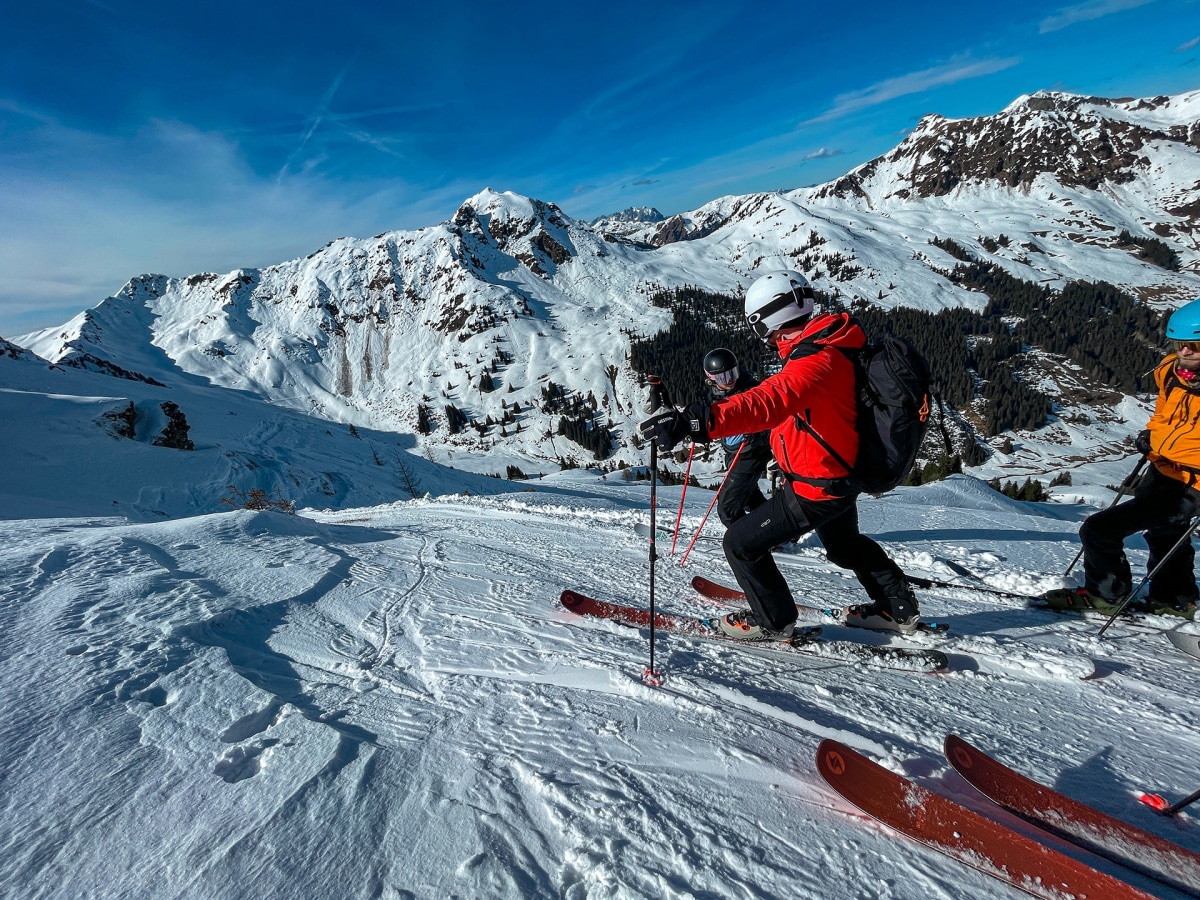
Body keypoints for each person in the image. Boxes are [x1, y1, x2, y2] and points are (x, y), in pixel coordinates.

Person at [639, 270, 921, 639]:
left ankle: (773, 621)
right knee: (844, 546)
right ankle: (897, 607)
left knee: (740, 544)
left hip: (816, 487)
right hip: (840, 475)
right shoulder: (832, 343)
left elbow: (769, 401)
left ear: (764, 321)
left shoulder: (816, 359)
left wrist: (696, 421)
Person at [1045, 298, 1200, 619]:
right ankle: (1174, 598)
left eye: (1194, 346)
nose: (1184, 352)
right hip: (1163, 470)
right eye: (1179, 344)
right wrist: (1152, 435)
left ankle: (1105, 596)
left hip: (1192, 485)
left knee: (1099, 530)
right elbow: (1165, 412)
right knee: (1166, 534)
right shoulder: (1170, 372)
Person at [700, 348, 773, 526]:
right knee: (750, 499)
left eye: (733, 373)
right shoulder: (717, 394)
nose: (730, 379)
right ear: (711, 379)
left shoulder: (749, 391)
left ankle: (749, 538)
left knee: (727, 509)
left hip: (750, 453)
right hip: (736, 453)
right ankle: (777, 530)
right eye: (723, 377)